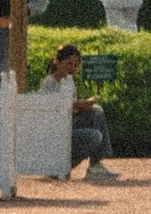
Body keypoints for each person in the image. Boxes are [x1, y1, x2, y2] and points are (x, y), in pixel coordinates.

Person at [44, 46, 120, 183]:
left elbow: (69, 109)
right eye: (69, 64)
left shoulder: (69, 81)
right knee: (94, 136)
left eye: (76, 65)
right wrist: (76, 106)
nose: (72, 68)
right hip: (54, 135)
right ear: (58, 62)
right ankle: (59, 166)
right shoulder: (49, 83)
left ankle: (95, 165)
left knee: (96, 111)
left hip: (66, 126)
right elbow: (51, 114)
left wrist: (82, 106)